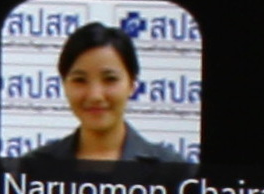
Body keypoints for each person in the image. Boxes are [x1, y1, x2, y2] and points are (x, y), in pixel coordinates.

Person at [12, 22, 193, 173]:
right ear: (64, 85)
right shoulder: (35, 168)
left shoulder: (172, 171)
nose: (95, 95)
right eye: (80, 80)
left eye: (110, 79)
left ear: (132, 85)